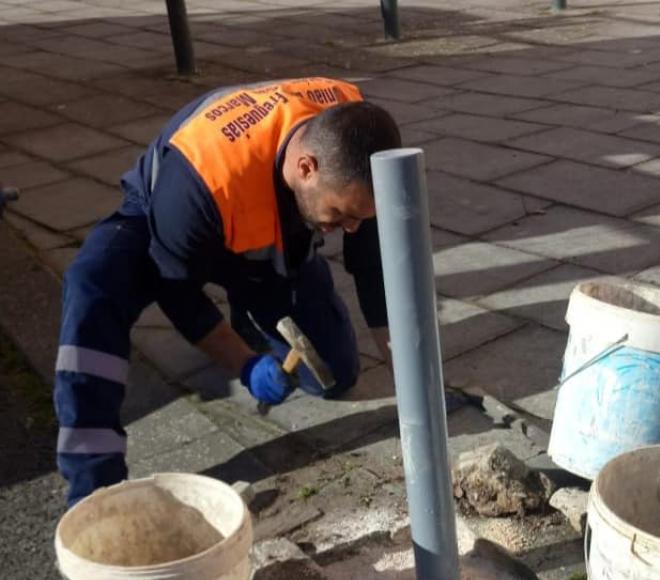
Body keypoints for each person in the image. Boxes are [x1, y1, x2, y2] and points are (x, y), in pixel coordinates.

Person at [55, 77, 401, 507]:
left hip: (266, 237)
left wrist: (409, 375)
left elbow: (375, 266)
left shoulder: (356, 130)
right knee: (93, 285)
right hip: (170, 214)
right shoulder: (197, 185)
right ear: (307, 167)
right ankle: (95, 490)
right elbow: (177, 291)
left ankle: (252, 315)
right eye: (340, 215)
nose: (350, 228)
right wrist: (246, 365)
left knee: (335, 374)